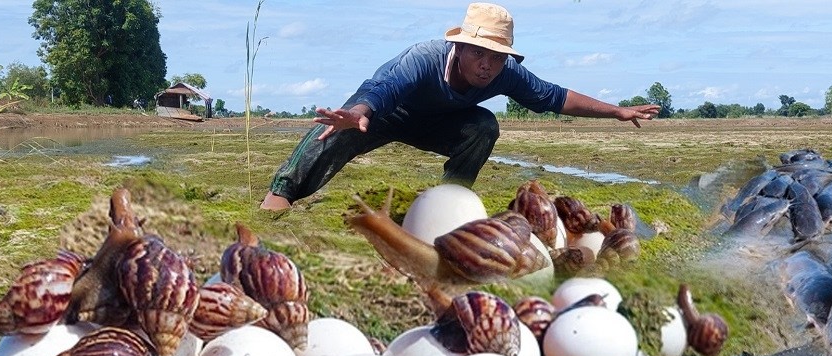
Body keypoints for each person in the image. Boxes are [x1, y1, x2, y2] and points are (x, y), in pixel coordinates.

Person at [260, 2, 660, 210]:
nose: (488, 65)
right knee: (334, 130)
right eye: (479, 53)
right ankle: (278, 200)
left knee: (485, 126)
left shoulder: (504, 73)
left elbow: (555, 97)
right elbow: (382, 87)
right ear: (460, 46)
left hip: (440, 125)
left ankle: (448, 201)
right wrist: (360, 112)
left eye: (498, 56)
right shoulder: (424, 58)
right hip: (384, 114)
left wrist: (618, 111)